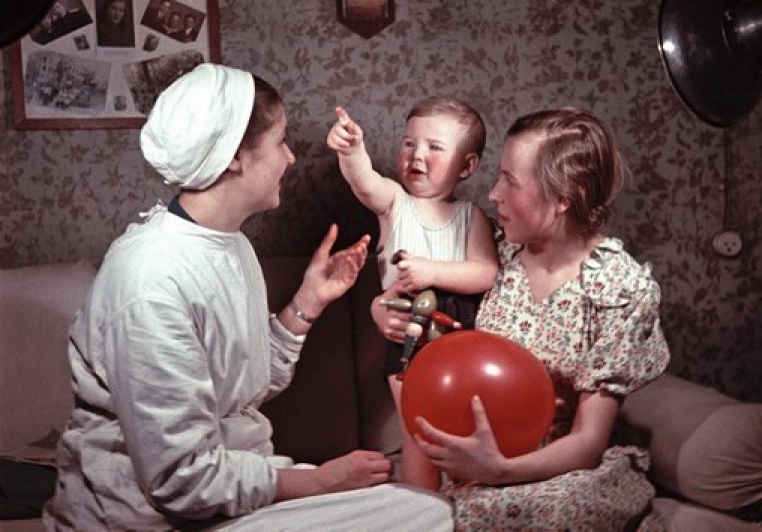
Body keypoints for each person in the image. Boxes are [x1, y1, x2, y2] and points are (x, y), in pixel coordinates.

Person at [42, 63, 452, 531]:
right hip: (151, 521)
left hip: (235, 493)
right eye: (280, 141)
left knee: (423, 506)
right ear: (235, 156)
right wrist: (319, 481)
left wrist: (308, 302)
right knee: (428, 517)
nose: (290, 158)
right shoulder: (150, 282)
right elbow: (180, 480)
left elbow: (245, 383)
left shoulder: (229, 242)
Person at [373, 107, 671, 530]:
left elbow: (588, 442)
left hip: (558, 468)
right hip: (470, 458)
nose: (493, 194)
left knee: (551, 514)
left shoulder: (620, 289)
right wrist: (380, 310)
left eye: (510, 181)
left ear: (563, 197)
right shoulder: (490, 254)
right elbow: (414, 297)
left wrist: (500, 470)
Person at [327, 97, 499, 373]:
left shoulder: (470, 215)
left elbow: (487, 272)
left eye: (434, 147)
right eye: (409, 143)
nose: (417, 155)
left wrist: (432, 272)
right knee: (408, 391)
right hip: (404, 322)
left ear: (466, 166)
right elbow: (364, 183)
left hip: (457, 328)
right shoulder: (395, 202)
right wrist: (352, 151)